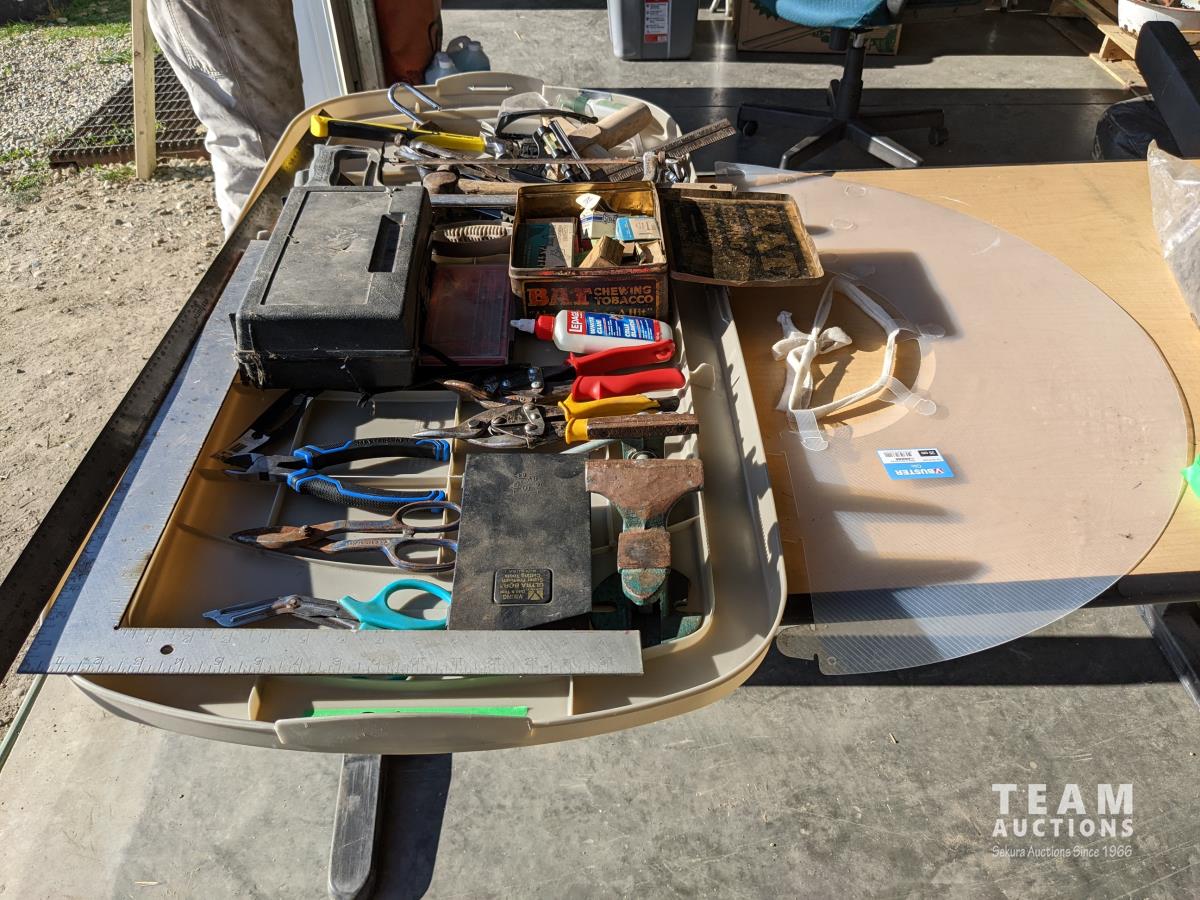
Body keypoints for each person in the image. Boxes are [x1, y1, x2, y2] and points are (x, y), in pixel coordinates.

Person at [146, 0, 305, 235]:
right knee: (262, 145)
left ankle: (261, 248)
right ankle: (260, 251)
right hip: (226, 11)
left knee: (259, 138)